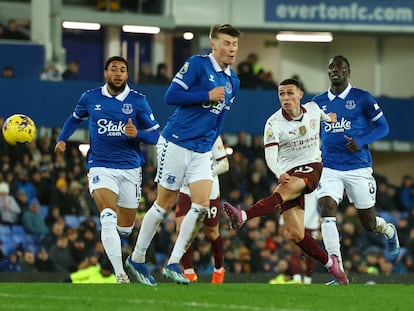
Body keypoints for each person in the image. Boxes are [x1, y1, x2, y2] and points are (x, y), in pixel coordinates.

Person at [125, 24, 242, 286]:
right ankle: (138, 257)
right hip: (176, 142)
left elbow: (220, 117)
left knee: (201, 207)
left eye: (234, 44)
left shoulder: (233, 80)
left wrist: (211, 144)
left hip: (202, 151)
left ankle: (174, 262)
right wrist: (206, 95)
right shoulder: (198, 65)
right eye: (226, 43)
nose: (231, 49)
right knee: (163, 205)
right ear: (213, 44)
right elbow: (171, 96)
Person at [223, 78, 350, 284]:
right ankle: (331, 265)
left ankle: (243, 215)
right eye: (282, 94)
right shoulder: (274, 123)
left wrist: (331, 119)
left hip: (312, 166)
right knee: (296, 235)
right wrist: (278, 172)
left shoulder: (313, 109)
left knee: (284, 191)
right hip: (289, 171)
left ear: (300, 94)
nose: (286, 97)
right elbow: (270, 156)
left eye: (290, 93)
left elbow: (324, 116)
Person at [54, 56, 160, 283]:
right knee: (108, 216)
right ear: (105, 73)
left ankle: (128, 258)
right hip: (100, 165)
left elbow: (155, 135)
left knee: (125, 228)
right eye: (114, 69)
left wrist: (138, 134)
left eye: (122, 70)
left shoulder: (138, 101)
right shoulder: (90, 97)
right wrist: (62, 139)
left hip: (130, 169)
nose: (118, 73)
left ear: (127, 75)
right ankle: (120, 273)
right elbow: (74, 119)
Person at [311, 55, 400, 283]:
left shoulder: (362, 98)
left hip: (358, 168)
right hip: (330, 167)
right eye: (331, 66)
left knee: (369, 224)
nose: (335, 70)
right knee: (327, 207)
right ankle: (337, 271)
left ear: (348, 72)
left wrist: (361, 141)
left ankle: (389, 231)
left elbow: (383, 127)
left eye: (340, 67)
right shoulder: (318, 102)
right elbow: (314, 133)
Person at [176, 135, 229, 284]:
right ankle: (188, 272)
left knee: (212, 233)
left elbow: (224, 164)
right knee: (181, 228)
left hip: (209, 190)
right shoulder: (181, 132)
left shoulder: (212, 134)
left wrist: (203, 174)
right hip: (186, 189)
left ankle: (219, 270)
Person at [279, 191, 319, 284]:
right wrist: (282, 222)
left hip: (311, 225)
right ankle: (297, 280)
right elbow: (286, 202)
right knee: (296, 251)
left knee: (310, 254)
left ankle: (307, 280)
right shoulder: (296, 186)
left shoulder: (316, 185)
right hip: (296, 222)